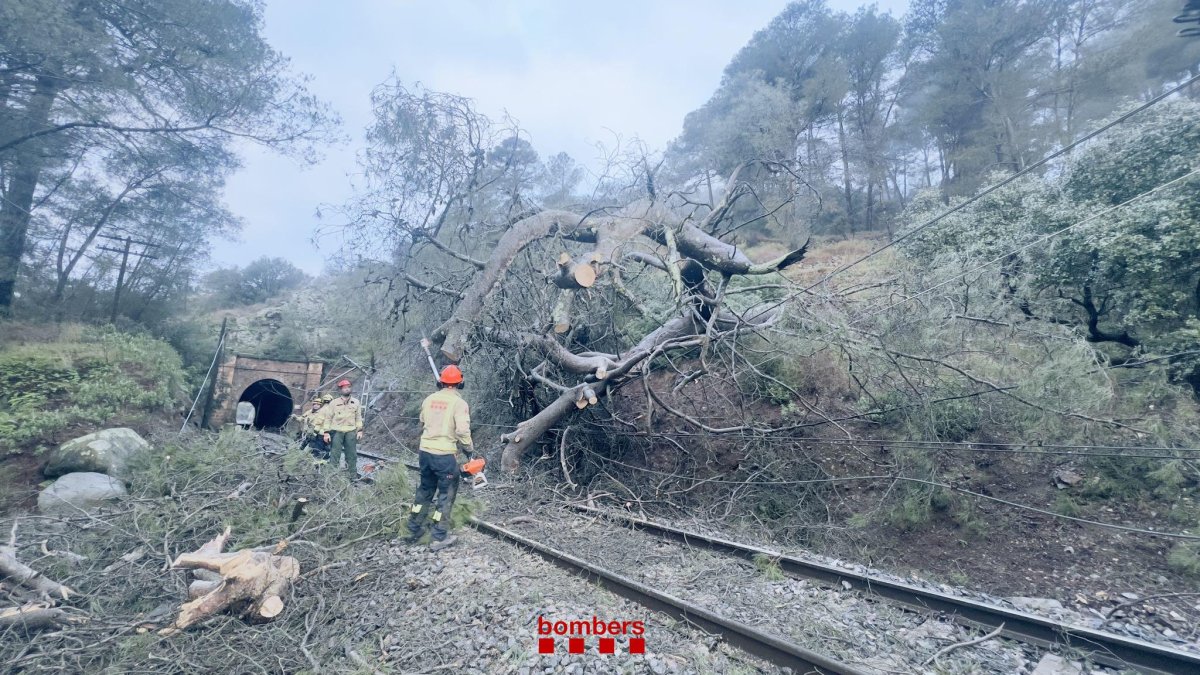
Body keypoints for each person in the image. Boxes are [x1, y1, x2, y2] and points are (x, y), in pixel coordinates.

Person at [405, 365, 474, 551]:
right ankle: (439, 536)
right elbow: (462, 431)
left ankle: (413, 528)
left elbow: (422, 422)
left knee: (425, 490)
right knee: (446, 495)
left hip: (425, 453)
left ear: (440, 382)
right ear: (460, 383)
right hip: (444, 456)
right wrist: (469, 450)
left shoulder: (429, 399)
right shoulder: (459, 404)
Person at [320, 379, 363, 479]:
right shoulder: (334, 403)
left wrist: (360, 430)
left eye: (348, 387)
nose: (347, 389)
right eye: (344, 388)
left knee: (352, 454)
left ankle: (352, 475)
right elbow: (328, 418)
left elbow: (358, 417)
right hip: (336, 432)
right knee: (335, 454)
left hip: (351, 431)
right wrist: (326, 433)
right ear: (340, 390)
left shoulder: (356, 402)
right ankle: (331, 476)